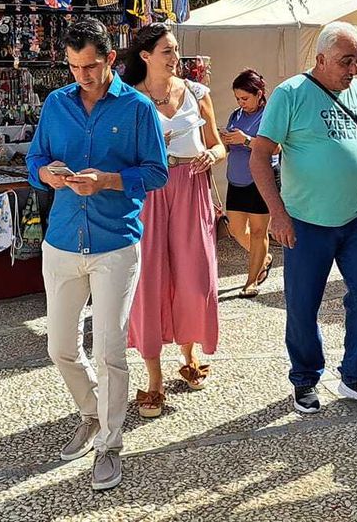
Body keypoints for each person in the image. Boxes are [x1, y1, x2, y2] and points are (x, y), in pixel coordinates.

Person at [25, 19, 168, 492]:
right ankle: (91, 412)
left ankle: (109, 443)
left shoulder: (138, 107)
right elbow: (34, 159)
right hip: (62, 242)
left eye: (89, 66)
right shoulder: (56, 104)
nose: (80, 76)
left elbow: (157, 172)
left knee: (109, 351)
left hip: (114, 245)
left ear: (109, 59)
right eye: (72, 66)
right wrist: (45, 174)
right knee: (60, 347)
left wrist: (106, 180)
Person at [251, 21, 357, 415]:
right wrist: (277, 215)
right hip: (305, 221)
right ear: (322, 59)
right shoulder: (291, 94)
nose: (353, 70)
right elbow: (261, 155)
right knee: (302, 304)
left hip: (355, 218)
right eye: (346, 61)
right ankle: (305, 379)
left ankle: (356, 375)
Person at [121, 23, 226, 418]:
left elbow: (217, 145)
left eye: (176, 49)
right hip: (148, 190)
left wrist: (211, 156)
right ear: (146, 55)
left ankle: (190, 350)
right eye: (167, 50)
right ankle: (153, 379)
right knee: (148, 278)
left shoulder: (197, 93)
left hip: (191, 186)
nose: (175, 56)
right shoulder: (129, 100)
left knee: (195, 274)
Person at [221, 69, 277, 297]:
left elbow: (276, 147)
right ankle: (264, 258)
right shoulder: (236, 115)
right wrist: (223, 139)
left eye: (245, 98)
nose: (241, 103)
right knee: (235, 229)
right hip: (236, 178)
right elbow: (227, 146)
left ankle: (251, 280)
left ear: (259, 94)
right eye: (237, 99)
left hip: (261, 178)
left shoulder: (269, 115)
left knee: (258, 231)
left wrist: (245, 140)